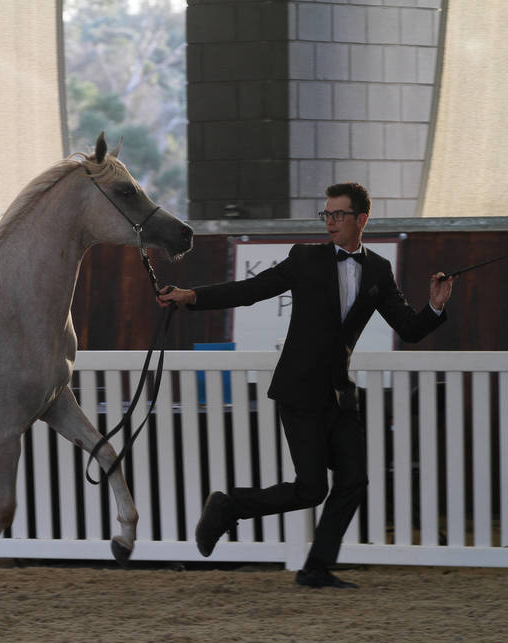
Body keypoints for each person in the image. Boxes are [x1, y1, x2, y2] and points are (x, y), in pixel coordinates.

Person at [157, 182, 455, 589]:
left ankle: (315, 568)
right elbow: (250, 291)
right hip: (298, 391)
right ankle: (229, 507)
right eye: (326, 215)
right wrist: (191, 295)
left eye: (338, 215)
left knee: (353, 481)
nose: (330, 222)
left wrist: (435, 305)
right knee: (311, 489)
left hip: (339, 395)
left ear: (361, 219)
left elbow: (409, 328)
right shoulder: (305, 258)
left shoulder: (378, 270)